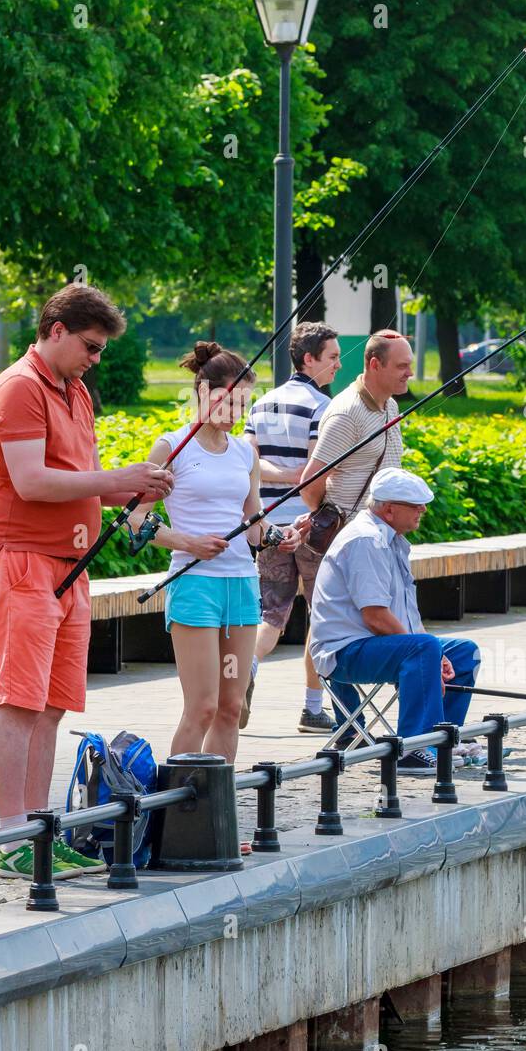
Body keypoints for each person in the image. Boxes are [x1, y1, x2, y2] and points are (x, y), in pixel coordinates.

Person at [0, 283, 174, 880]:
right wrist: (117, 475)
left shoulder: (75, 390)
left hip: (72, 569)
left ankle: (39, 832)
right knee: (18, 704)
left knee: (52, 707)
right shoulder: (19, 389)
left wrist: (138, 487)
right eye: (90, 346)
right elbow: (32, 481)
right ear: (56, 329)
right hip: (23, 563)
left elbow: (83, 478)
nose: (96, 358)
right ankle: (12, 837)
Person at [131, 342, 300, 771]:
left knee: (231, 709)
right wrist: (190, 542)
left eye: (244, 402)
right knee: (202, 707)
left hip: (242, 586)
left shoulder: (246, 453)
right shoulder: (171, 447)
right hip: (195, 587)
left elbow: (254, 523)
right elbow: (136, 521)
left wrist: (280, 536)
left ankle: (213, 812)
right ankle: (173, 815)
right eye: (230, 399)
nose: (237, 411)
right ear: (203, 393)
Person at [309, 468, 481, 774]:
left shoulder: (391, 539)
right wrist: (429, 652)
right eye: (416, 506)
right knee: (424, 649)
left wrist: (438, 655)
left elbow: (407, 615)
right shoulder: (366, 541)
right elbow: (375, 616)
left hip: (375, 645)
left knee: (464, 652)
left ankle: (443, 739)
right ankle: (412, 749)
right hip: (344, 653)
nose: (424, 510)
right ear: (389, 509)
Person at [241, 321, 342, 733]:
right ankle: (313, 709)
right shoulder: (322, 407)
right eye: (332, 357)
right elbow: (317, 472)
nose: (338, 365)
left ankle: (246, 665)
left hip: (269, 525)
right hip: (311, 526)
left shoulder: (261, 403)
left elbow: (249, 460)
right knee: (323, 615)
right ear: (308, 359)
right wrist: (299, 479)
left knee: (272, 613)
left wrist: (279, 477)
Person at [300, 328, 412, 522]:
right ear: (375, 364)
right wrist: (333, 522)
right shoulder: (347, 413)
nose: (409, 373)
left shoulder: (390, 405)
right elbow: (310, 486)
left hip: (383, 535)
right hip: (352, 542)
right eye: (402, 366)